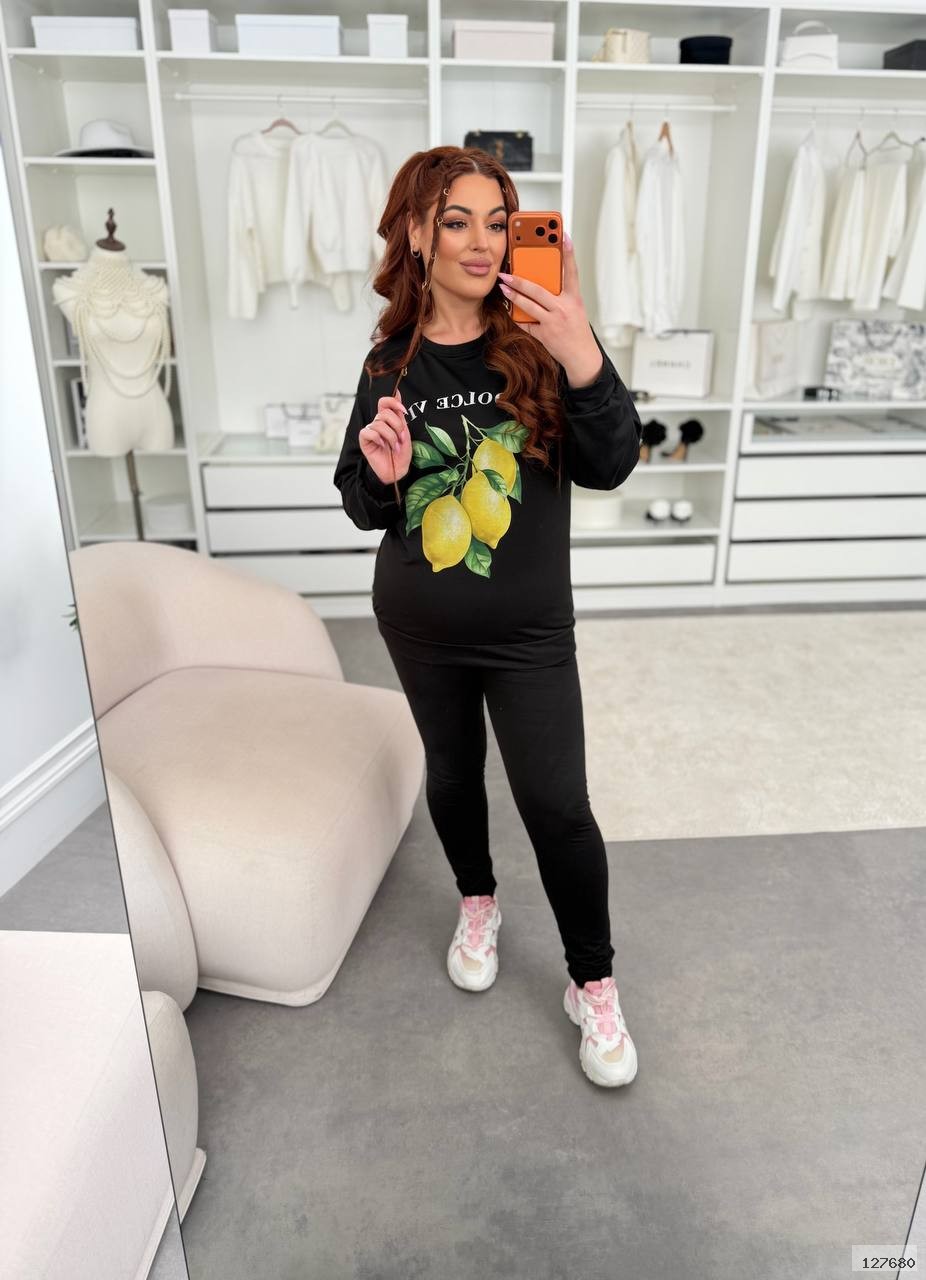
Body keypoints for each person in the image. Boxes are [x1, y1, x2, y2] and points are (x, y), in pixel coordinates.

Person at [333, 146, 641, 1088]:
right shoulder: (389, 360)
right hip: (419, 622)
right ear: (417, 234)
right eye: (457, 220)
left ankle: (592, 982)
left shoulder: (544, 340)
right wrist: (386, 477)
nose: (482, 241)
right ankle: (479, 901)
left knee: (558, 806)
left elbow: (611, 464)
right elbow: (361, 502)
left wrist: (582, 351)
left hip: (531, 634)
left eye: (498, 222)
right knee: (454, 774)